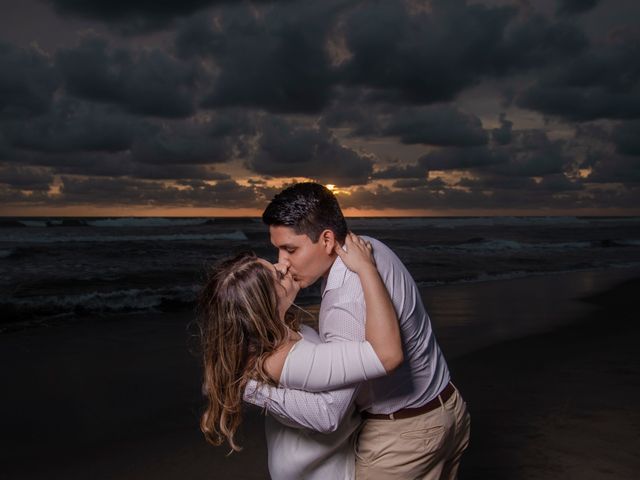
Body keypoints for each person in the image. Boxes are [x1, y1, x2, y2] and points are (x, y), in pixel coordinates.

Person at [247, 182, 471, 480]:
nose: (282, 263)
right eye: (277, 249)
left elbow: (328, 412)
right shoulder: (366, 245)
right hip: (448, 407)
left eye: (290, 249)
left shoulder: (345, 297)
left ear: (326, 239)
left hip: (404, 438)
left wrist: (246, 386)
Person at [198, 233, 404, 479]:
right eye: (276, 273)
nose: (283, 264)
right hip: (314, 471)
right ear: (266, 304)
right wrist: (249, 386)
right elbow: (329, 414)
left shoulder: (290, 334)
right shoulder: (288, 355)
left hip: (307, 461)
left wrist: (247, 385)